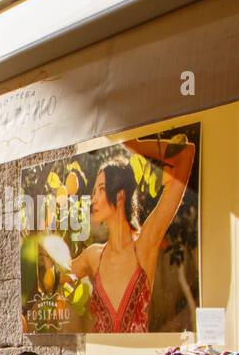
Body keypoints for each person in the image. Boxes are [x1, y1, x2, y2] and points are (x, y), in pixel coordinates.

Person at [67, 138, 196, 333]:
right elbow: (54, 276)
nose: (92, 200)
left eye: (100, 190)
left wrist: (130, 142)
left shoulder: (144, 244)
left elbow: (185, 155)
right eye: (93, 192)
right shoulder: (93, 256)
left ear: (120, 195)